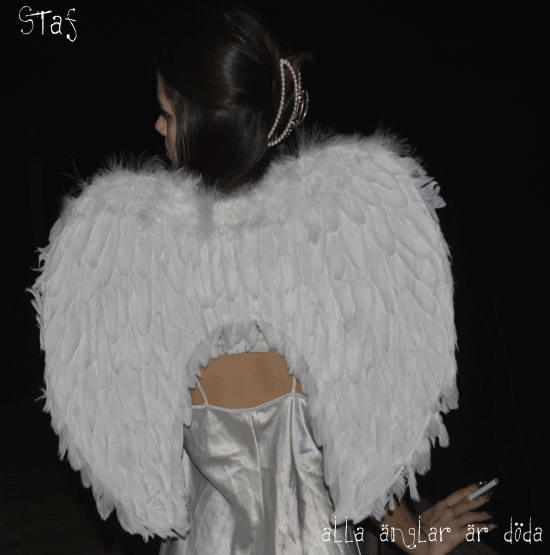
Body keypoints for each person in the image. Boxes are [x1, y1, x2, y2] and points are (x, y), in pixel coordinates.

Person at [30, 1, 495, 554]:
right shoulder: (327, 254)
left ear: (206, 129)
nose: (157, 125)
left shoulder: (148, 274)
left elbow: (139, 443)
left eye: (168, 114)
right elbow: (352, 442)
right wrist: (416, 539)